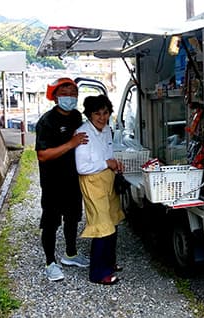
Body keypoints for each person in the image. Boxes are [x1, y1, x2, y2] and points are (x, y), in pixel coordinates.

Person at [35, 77, 90, 282]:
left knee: (73, 218)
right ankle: (50, 263)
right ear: (56, 97)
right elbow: (42, 155)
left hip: (73, 179)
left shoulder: (76, 116)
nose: (70, 98)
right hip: (52, 182)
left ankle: (71, 254)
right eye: (65, 94)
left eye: (73, 94)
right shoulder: (46, 122)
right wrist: (71, 143)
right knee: (50, 223)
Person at [75, 95, 125, 285]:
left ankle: (110, 263)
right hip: (93, 183)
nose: (102, 117)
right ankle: (97, 273)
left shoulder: (106, 130)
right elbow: (82, 167)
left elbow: (109, 153)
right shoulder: (83, 134)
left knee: (113, 221)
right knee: (101, 226)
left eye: (105, 113)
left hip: (108, 179)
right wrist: (107, 162)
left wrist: (115, 164)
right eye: (97, 114)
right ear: (89, 114)